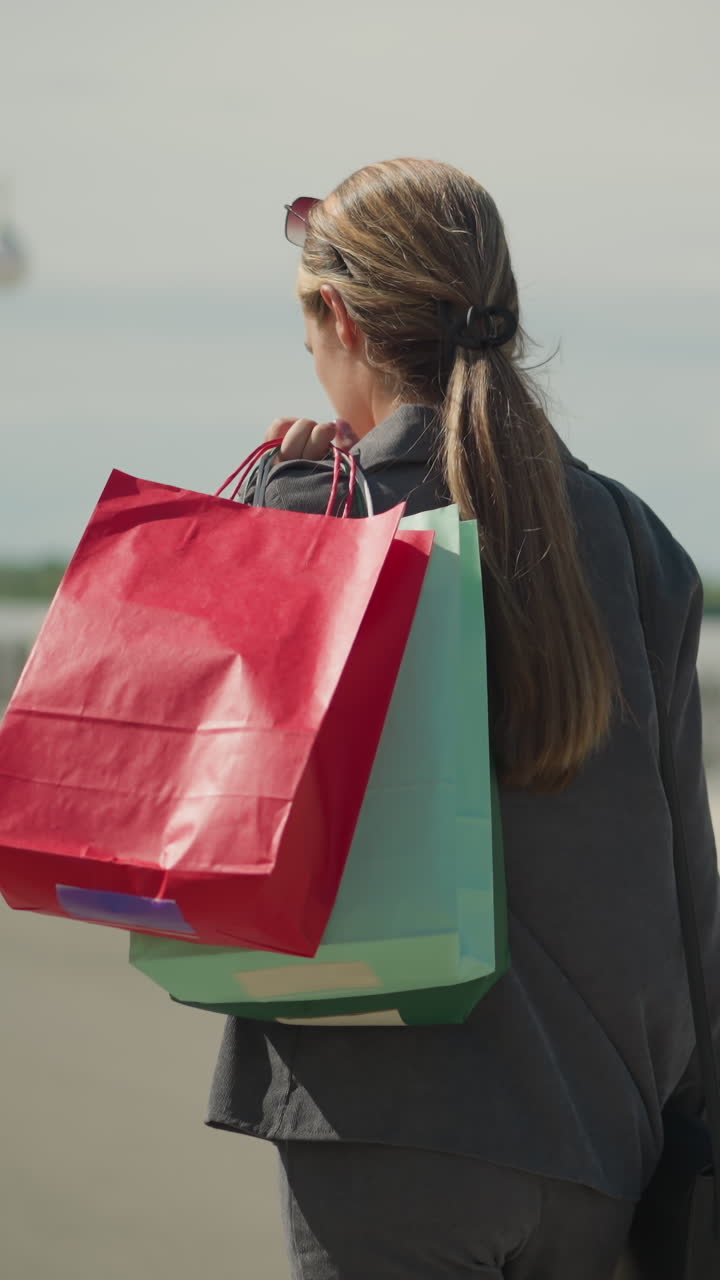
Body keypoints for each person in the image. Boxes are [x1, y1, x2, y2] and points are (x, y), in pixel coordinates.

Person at [206, 159, 719, 1279]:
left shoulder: (319, 516)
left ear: (341, 317)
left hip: (388, 1124)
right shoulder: (640, 543)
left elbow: (211, 807)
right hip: (605, 1143)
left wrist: (278, 506)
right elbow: (692, 885)